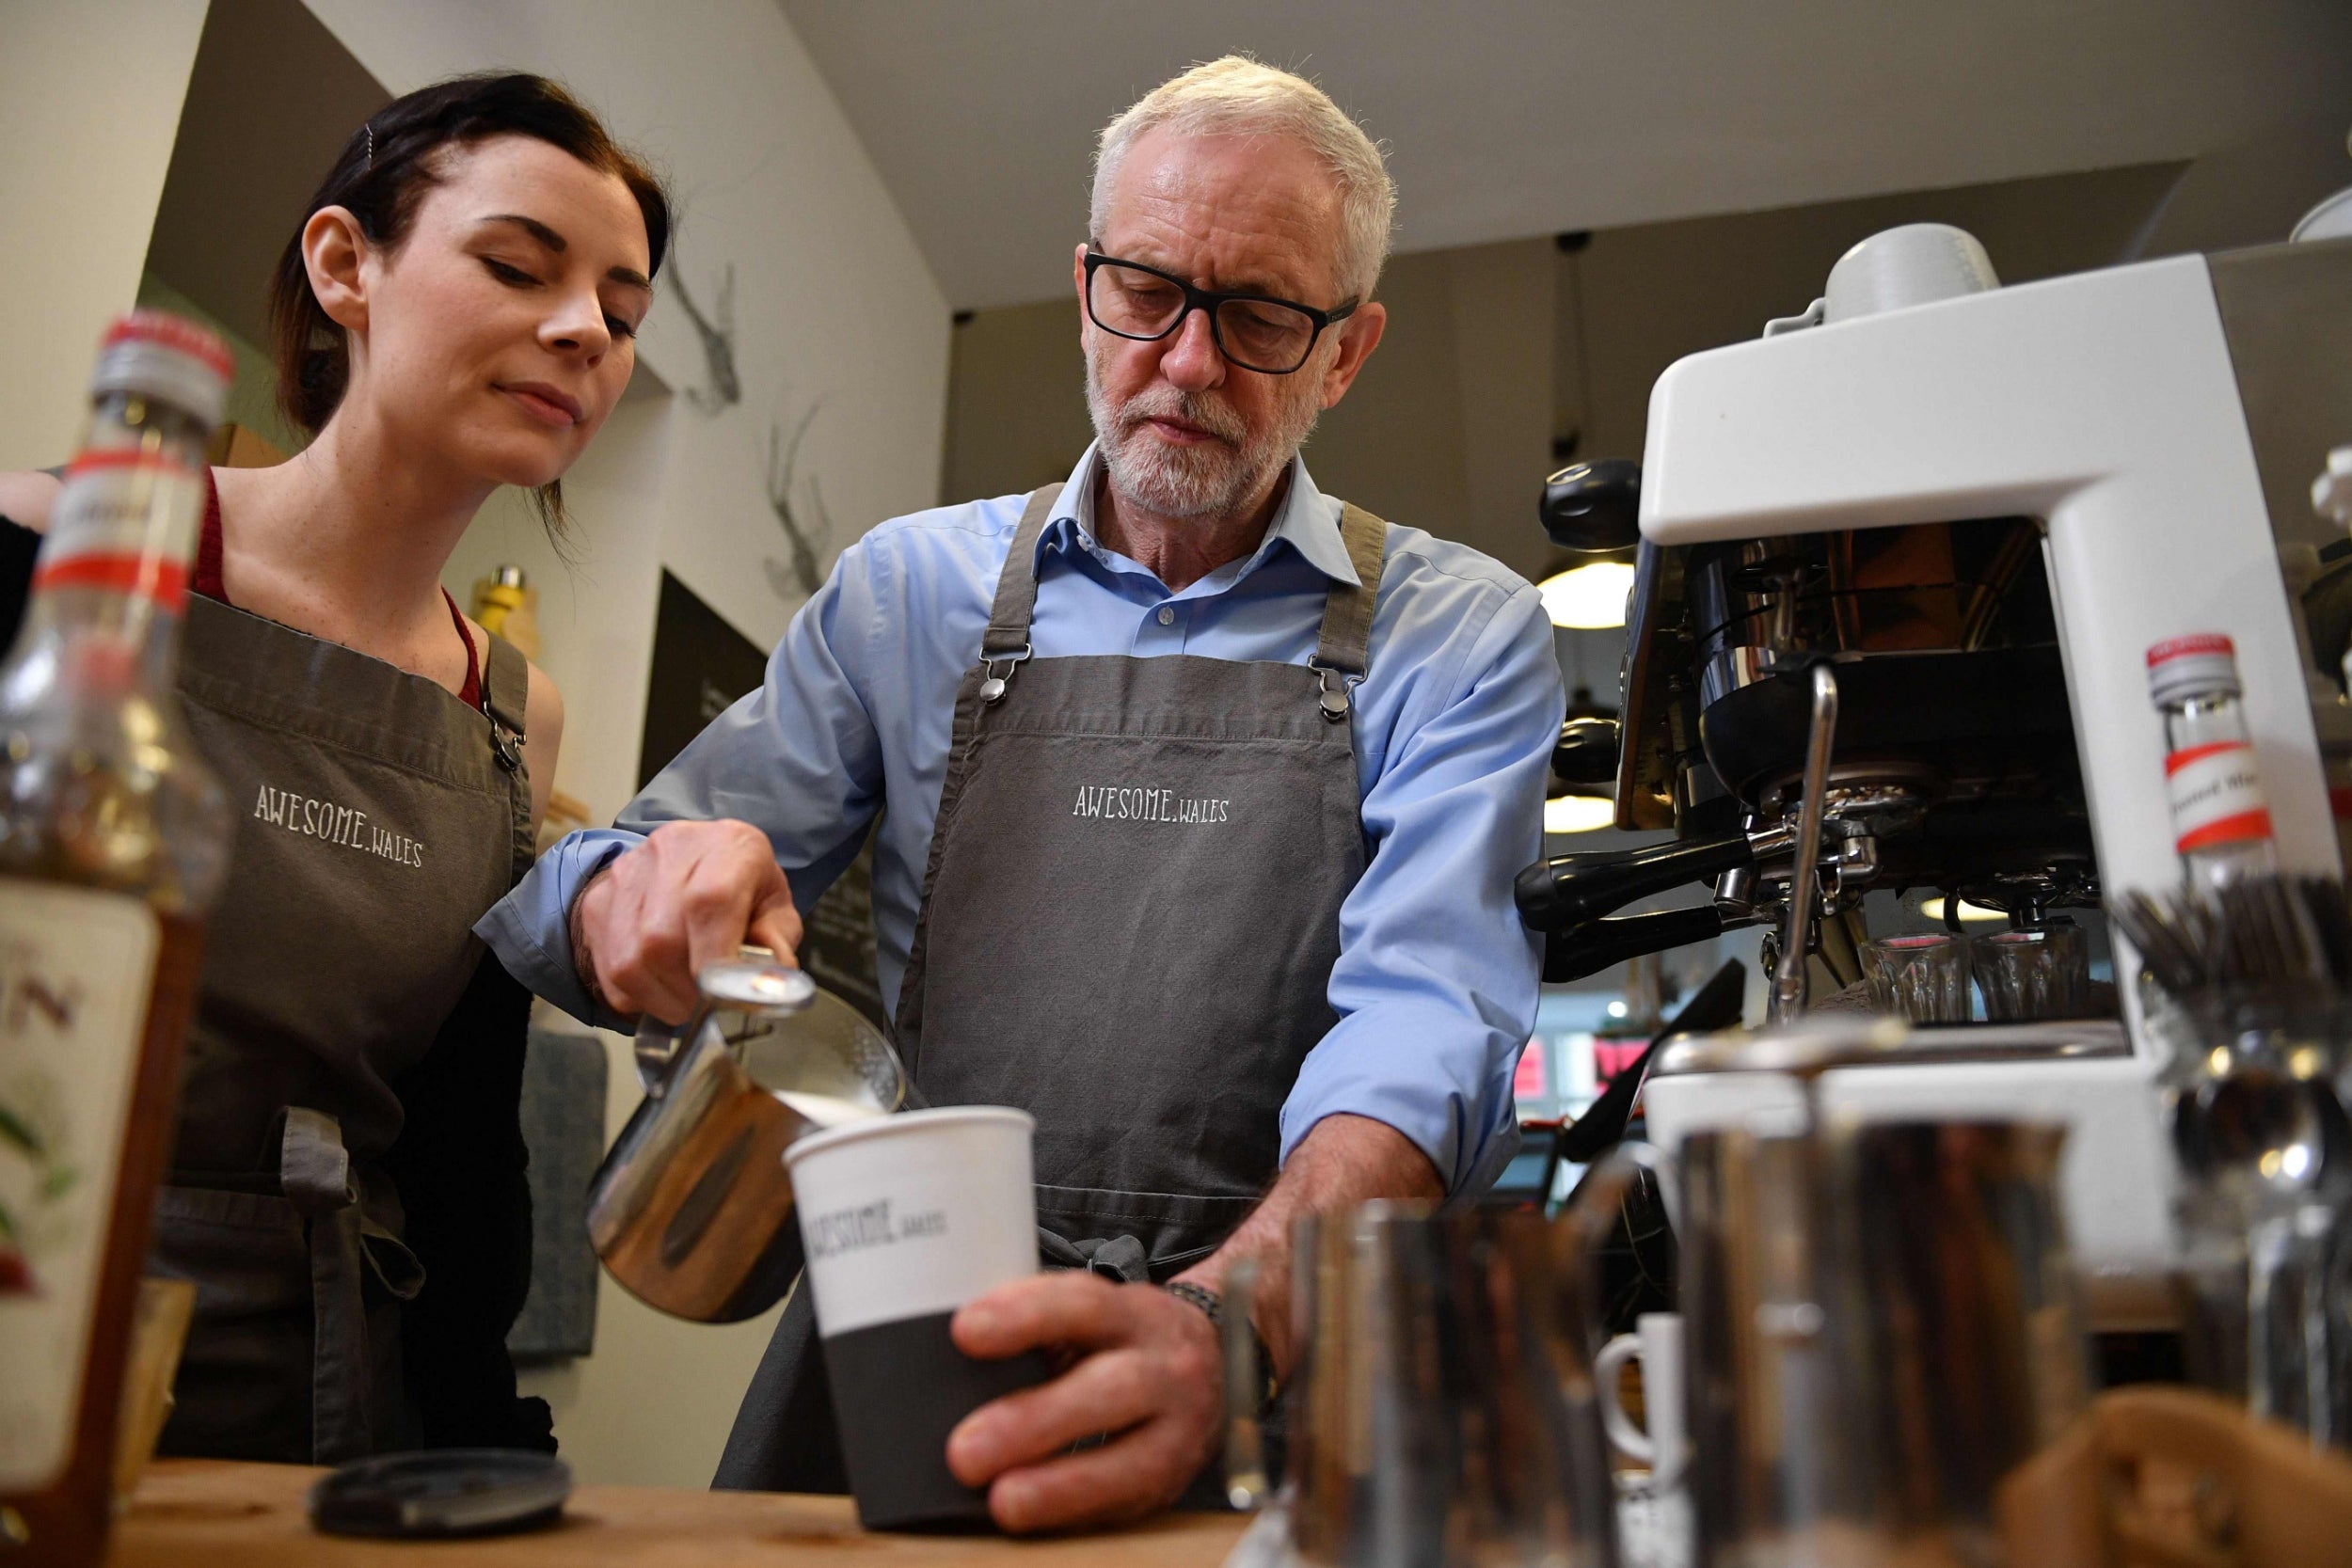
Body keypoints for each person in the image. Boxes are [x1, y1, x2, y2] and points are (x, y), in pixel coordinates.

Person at [480, 56, 1561, 1530]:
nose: (1186, 363)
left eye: (1258, 316)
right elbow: (585, 879)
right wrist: (632, 893)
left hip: (1265, 1354)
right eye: (1146, 292)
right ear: (1084, 286)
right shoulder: (907, 594)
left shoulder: (1460, 632)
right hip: (907, 1333)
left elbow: (1430, 1014)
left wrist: (1230, 1323)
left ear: (1349, 349)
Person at [0, 72, 668, 1463]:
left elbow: (460, 1148)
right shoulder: (46, 549)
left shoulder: (513, 718)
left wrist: (491, 1442)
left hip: (319, 1408)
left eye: (620, 312)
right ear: (343, 265)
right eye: (516, 265)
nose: (582, 333)